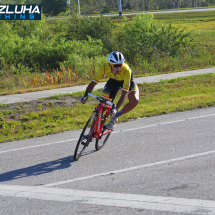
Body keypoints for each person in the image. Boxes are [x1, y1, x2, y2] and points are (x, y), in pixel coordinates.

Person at [80, 51, 139, 130]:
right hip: (113, 82)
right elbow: (93, 83)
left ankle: (115, 118)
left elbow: (124, 93)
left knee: (134, 101)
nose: (119, 68)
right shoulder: (104, 67)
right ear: (110, 65)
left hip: (127, 81)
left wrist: (115, 109)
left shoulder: (126, 70)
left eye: (120, 65)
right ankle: (91, 132)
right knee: (103, 105)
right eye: (116, 65)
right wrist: (85, 96)